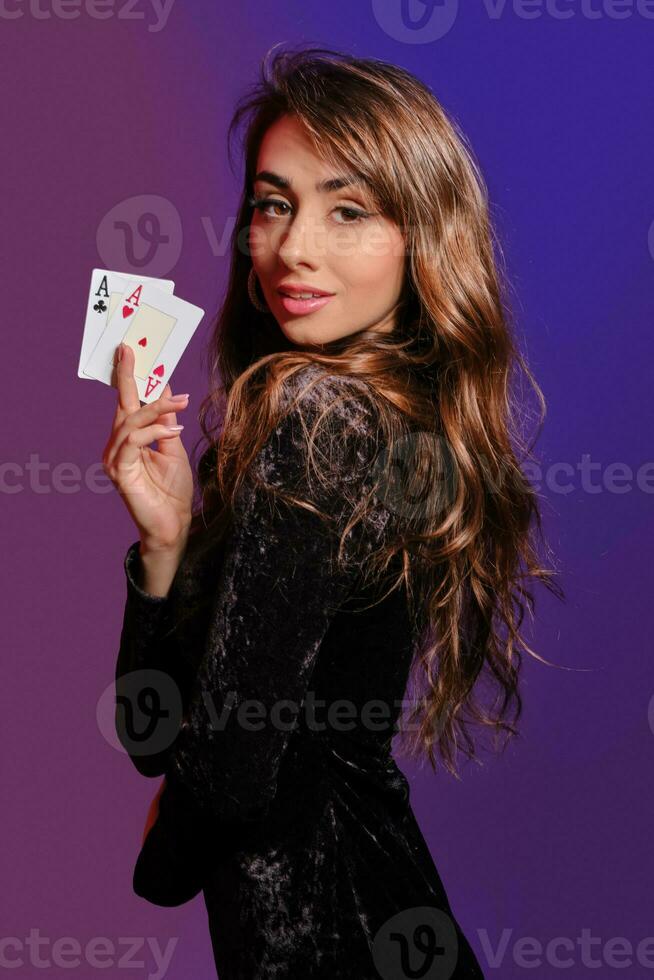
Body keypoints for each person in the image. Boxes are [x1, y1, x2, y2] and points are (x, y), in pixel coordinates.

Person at [104, 46, 562, 980]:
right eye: (275, 204)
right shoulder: (335, 420)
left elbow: (222, 772)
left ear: (421, 237)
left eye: (348, 210)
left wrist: (159, 864)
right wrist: (165, 544)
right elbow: (156, 734)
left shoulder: (321, 422)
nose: (294, 247)